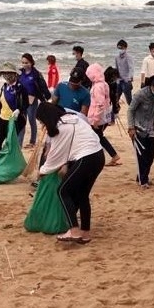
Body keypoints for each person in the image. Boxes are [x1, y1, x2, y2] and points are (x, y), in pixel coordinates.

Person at [36, 102, 104, 244]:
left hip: (86, 158)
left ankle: (73, 230)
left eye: (41, 121)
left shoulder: (62, 129)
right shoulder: (74, 118)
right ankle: (85, 234)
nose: (42, 125)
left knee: (62, 191)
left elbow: (55, 156)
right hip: (98, 156)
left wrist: (42, 171)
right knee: (82, 195)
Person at [127, 76, 154, 188]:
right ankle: (143, 180)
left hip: (152, 130)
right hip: (138, 129)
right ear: (153, 86)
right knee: (142, 156)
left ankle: (141, 177)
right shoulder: (140, 94)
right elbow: (130, 110)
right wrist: (131, 127)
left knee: (151, 156)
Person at [86, 63, 121, 166]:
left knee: (97, 138)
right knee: (98, 137)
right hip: (103, 116)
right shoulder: (104, 84)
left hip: (97, 117)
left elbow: (100, 104)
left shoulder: (98, 86)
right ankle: (113, 155)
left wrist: (95, 119)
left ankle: (113, 156)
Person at [0, 62, 29, 153]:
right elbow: (1, 103)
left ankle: (11, 163)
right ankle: (2, 160)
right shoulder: (4, 87)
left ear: (15, 74)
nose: (6, 76)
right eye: (4, 73)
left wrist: (19, 110)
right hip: (2, 119)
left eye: (9, 73)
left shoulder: (20, 88)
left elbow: (26, 103)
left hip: (14, 121)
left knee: (11, 145)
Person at [19, 53, 51, 149]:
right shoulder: (20, 73)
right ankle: (19, 143)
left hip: (32, 101)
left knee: (32, 121)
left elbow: (43, 86)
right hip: (21, 100)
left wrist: (47, 97)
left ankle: (32, 141)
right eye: (23, 63)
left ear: (32, 62)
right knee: (21, 121)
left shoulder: (36, 74)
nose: (25, 65)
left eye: (27, 62)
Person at [115, 39, 134, 105]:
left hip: (126, 81)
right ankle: (114, 113)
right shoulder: (116, 57)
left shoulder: (129, 57)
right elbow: (116, 68)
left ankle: (133, 114)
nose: (120, 49)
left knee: (129, 100)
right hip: (119, 81)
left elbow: (131, 68)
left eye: (121, 48)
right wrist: (116, 79)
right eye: (119, 48)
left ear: (125, 48)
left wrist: (129, 78)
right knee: (116, 99)